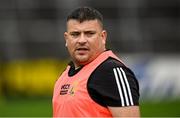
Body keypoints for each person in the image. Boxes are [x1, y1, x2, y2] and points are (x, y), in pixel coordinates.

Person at [52, 6, 140, 117]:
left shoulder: (111, 72)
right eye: (75, 34)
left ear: (103, 37)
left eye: (89, 33)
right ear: (66, 39)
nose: (82, 40)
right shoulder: (65, 74)